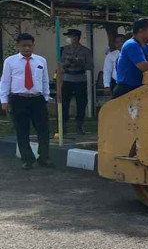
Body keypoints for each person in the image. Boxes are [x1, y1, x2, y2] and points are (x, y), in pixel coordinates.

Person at [1, 33, 54, 170]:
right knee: (22, 130)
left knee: (43, 129)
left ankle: (44, 157)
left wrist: (46, 97)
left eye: (29, 45)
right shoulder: (10, 61)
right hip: (18, 99)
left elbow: (45, 80)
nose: (26, 48)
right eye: (23, 46)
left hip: (37, 99)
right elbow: (5, 81)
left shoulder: (41, 61)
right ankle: (27, 159)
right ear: (18, 46)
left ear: (33, 46)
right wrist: (4, 100)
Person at [60, 28, 92, 134]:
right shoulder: (65, 50)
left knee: (81, 103)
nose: (68, 39)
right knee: (65, 103)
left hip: (80, 79)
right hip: (68, 78)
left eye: (70, 36)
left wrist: (80, 63)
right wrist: (68, 63)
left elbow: (90, 66)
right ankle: (63, 125)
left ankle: (79, 126)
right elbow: (61, 64)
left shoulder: (85, 51)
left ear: (76, 38)